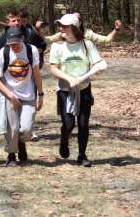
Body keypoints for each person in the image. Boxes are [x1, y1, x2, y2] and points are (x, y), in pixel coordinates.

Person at [49, 13, 108, 167]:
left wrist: (96, 71)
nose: (61, 28)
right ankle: (64, 140)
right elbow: (53, 68)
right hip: (64, 90)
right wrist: (69, 79)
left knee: (83, 124)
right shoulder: (57, 46)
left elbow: (98, 64)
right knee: (68, 124)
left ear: (74, 28)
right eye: (60, 25)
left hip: (84, 89)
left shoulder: (87, 45)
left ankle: (82, 155)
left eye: (65, 26)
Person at [0, 27, 44, 167]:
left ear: (22, 40)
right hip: (10, 94)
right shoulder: (3, 53)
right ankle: (11, 155)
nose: (13, 46)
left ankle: (21, 144)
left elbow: (37, 73)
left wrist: (41, 94)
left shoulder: (31, 50)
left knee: (26, 128)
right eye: (10, 44)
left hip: (28, 94)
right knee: (12, 128)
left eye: (16, 43)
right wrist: (9, 94)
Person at [40, 14, 122, 45]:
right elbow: (48, 40)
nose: (62, 28)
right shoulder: (62, 35)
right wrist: (38, 30)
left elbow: (106, 39)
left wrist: (116, 29)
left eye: (77, 19)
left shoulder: (88, 34)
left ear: (80, 22)